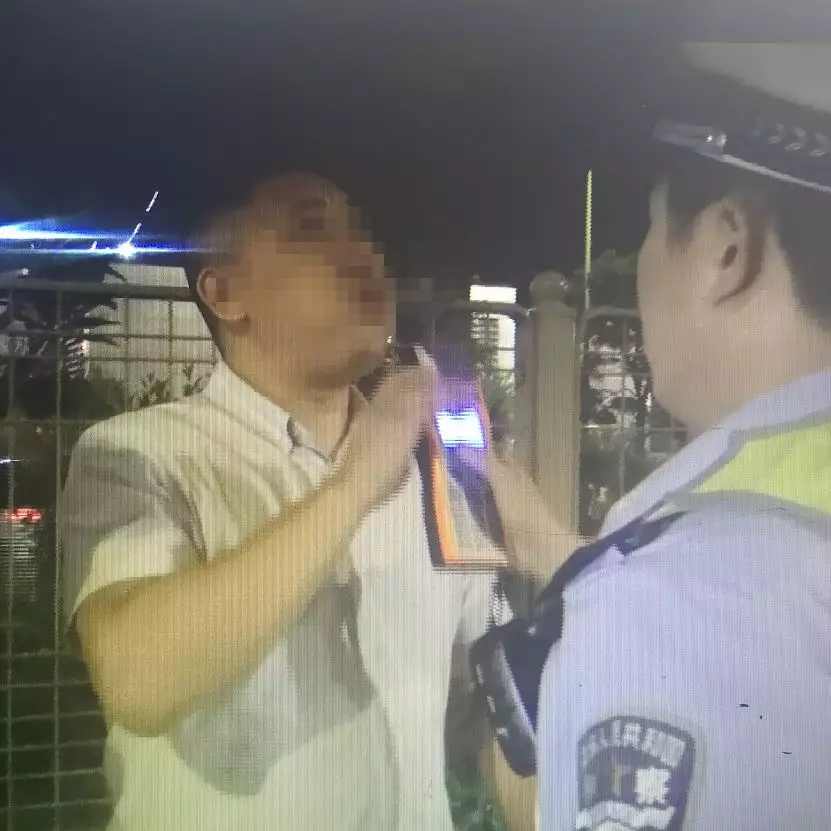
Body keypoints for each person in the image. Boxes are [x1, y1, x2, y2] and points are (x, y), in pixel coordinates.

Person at [59, 171, 539, 830]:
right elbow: (137, 679)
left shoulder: (434, 474)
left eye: (362, 230)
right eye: (313, 227)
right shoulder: (140, 452)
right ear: (225, 293)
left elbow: (490, 712)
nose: (364, 252)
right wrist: (356, 481)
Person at [476, 43, 831, 829]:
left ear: (726, 249)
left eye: (647, 227)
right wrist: (573, 559)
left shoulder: (676, 604)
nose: (639, 265)